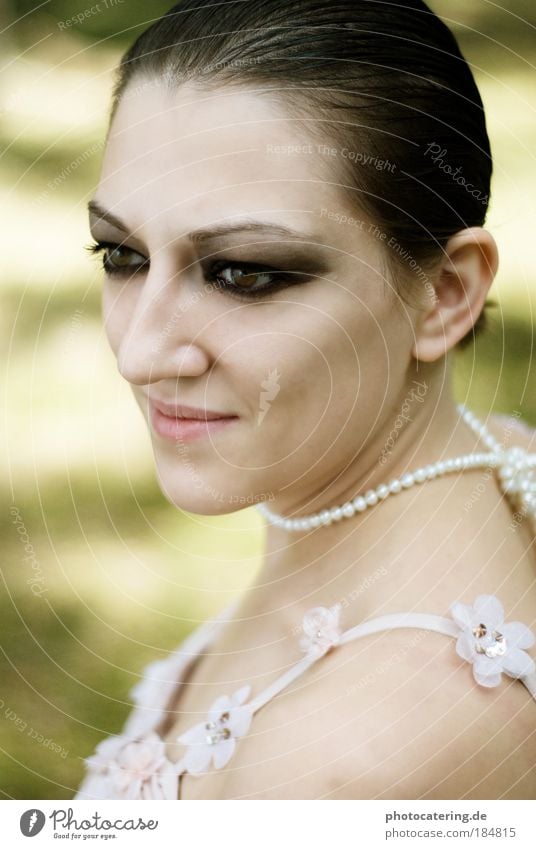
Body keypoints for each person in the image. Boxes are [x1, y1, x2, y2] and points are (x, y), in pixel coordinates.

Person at [76, 0, 536, 800]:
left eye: (245, 272)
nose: (142, 354)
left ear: (445, 294)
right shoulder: (505, 455)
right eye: (122, 254)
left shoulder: (337, 767)